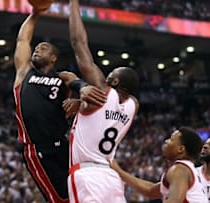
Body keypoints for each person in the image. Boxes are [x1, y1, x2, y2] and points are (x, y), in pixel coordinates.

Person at [12, 8, 106, 203]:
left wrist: (82, 92)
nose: (37, 49)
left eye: (43, 48)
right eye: (37, 48)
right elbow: (23, 41)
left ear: (54, 58)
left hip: (63, 144)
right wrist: (35, 14)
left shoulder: (62, 77)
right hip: (38, 149)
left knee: (78, 194)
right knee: (60, 199)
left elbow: (77, 83)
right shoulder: (24, 73)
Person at [57, 0, 140, 202]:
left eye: (110, 74)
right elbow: (102, 114)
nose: (106, 76)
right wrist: (81, 104)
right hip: (112, 178)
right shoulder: (133, 105)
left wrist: (73, 4)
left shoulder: (103, 91)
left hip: (88, 176)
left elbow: (79, 43)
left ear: (115, 80)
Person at [109, 127, 208, 203]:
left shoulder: (180, 169)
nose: (166, 141)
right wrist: (120, 171)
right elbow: (151, 191)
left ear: (180, 149)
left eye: (171, 139)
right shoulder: (187, 170)